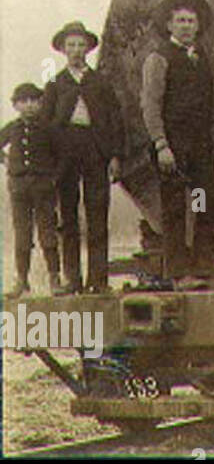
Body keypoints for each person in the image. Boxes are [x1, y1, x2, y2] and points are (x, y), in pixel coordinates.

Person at [141, 0, 214, 286]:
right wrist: (161, 144)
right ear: (169, 25)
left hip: (199, 146)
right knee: (175, 208)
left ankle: (202, 265)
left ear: (198, 26)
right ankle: (177, 272)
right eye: (180, 21)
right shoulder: (159, 59)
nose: (186, 26)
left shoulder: (200, 58)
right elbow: (150, 104)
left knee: (206, 201)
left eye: (191, 21)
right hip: (172, 147)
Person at [41, 21, 124, 294]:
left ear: (88, 48)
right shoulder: (55, 84)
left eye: (80, 45)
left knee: (97, 213)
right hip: (65, 152)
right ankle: (72, 279)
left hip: (95, 149)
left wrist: (114, 155)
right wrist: (51, 159)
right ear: (63, 50)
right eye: (71, 45)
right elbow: (46, 124)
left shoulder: (100, 82)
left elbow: (115, 120)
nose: (76, 50)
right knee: (68, 217)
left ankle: (98, 280)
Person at [1, 84, 61, 298]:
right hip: (18, 189)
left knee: (48, 233)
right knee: (22, 235)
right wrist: (6, 160)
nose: (28, 106)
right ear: (15, 105)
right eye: (23, 101)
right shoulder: (12, 128)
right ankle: (22, 280)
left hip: (43, 187)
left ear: (40, 103)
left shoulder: (49, 128)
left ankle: (55, 278)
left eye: (33, 101)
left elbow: (60, 155)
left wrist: (52, 176)